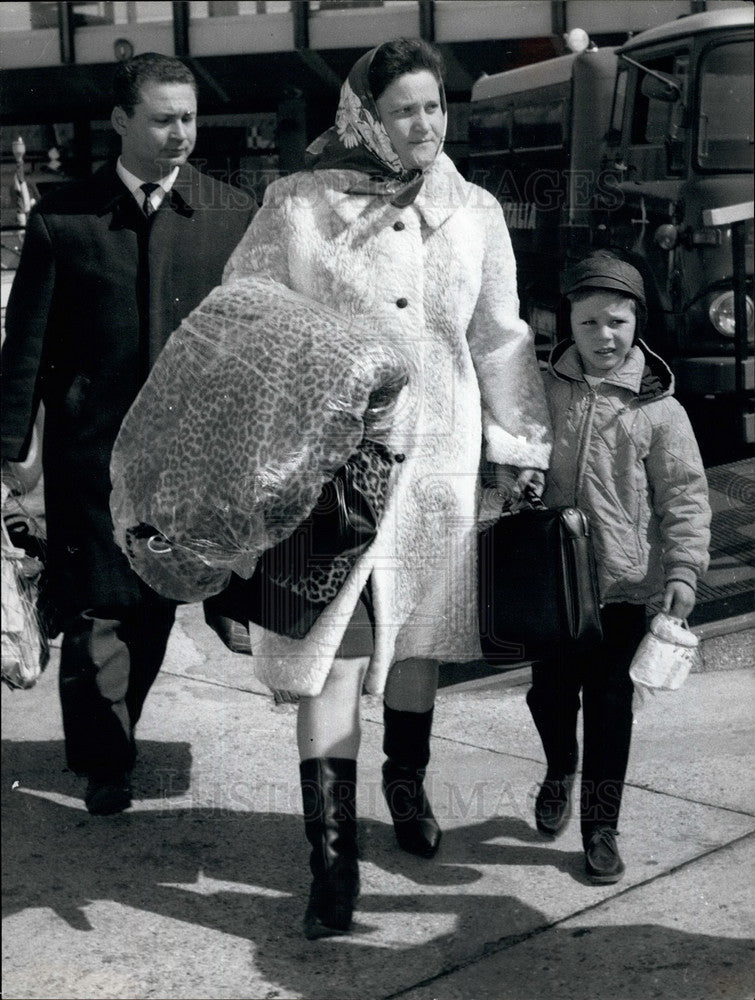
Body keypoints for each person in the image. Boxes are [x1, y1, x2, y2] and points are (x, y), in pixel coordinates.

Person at [222, 38, 551, 938]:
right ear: (364, 116)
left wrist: (517, 443)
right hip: (325, 472)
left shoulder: (473, 210)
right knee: (331, 653)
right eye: (403, 108)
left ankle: (406, 788)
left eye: (433, 106)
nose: (423, 124)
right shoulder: (298, 204)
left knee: (416, 644)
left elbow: (499, 339)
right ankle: (331, 867)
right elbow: (244, 317)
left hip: (436, 466)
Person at [0, 53, 256, 816]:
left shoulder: (230, 214)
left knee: (153, 609)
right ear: (120, 121)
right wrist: (9, 444)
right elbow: (26, 346)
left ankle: (116, 728)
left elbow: (253, 343)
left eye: (189, 118)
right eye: (163, 119)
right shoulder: (63, 219)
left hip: (193, 462)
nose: (181, 133)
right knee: (98, 610)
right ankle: (103, 762)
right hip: (93, 456)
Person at [527, 249, 711, 883]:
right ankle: (560, 765)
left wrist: (682, 571)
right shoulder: (544, 389)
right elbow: (514, 458)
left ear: (638, 324)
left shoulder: (660, 409)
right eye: (589, 323)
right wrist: (514, 478)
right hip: (554, 586)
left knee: (610, 706)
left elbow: (685, 496)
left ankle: (600, 827)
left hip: (625, 587)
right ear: (568, 325)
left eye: (618, 323)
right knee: (549, 694)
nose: (604, 336)